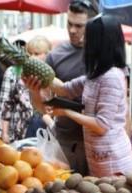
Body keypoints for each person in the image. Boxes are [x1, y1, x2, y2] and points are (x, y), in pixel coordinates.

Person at [27, 14, 132, 177]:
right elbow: (64, 89)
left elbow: (101, 126)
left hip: (114, 163)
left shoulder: (111, 77)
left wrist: (66, 112)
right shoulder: (96, 75)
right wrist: (35, 75)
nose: (84, 41)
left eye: (88, 37)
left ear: (100, 44)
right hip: (99, 160)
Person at [35, 0, 98, 176]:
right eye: (69, 23)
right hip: (66, 143)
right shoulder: (55, 56)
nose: (72, 30)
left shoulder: (104, 55)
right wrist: (35, 92)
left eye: (79, 26)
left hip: (100, 144)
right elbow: (43, 105)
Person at [0, 36, 51, 143]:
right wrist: (4, 133)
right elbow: (6, 105)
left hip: (47, 131)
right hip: (20, 131)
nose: (32, 57)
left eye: (37, 54)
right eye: (29, 54)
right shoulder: (14, 72)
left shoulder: (51, 74)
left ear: (47, 55)